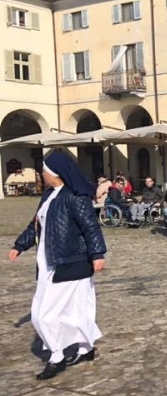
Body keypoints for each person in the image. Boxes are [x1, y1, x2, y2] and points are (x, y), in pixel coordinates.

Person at [9, 152, 106, 380]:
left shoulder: (74, 196)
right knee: (77, 309)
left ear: (56, 174)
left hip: (70, 262)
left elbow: (90, 227)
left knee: (44, 314)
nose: (42, 175)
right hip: (48, 262)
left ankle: (57, 356)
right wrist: (19, 246)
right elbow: (35, 226)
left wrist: (98, 254)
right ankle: (86, 348)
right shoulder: (48, 196)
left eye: (44, 171)